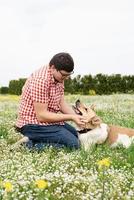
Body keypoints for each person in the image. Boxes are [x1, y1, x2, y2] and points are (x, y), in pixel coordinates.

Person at [16, 52, 87, 150]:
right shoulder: (41, 80)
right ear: (53, 67)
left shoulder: (58, 78)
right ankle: (26, 146)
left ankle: (33, 140)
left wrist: (79, 117)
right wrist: (71, 117)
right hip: (32, 124)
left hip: (48, 123)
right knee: (74, 145)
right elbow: (42, 116)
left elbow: (62, 104)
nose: (66, 78)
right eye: (64, 75)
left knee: (79, 137)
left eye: (69, 75)